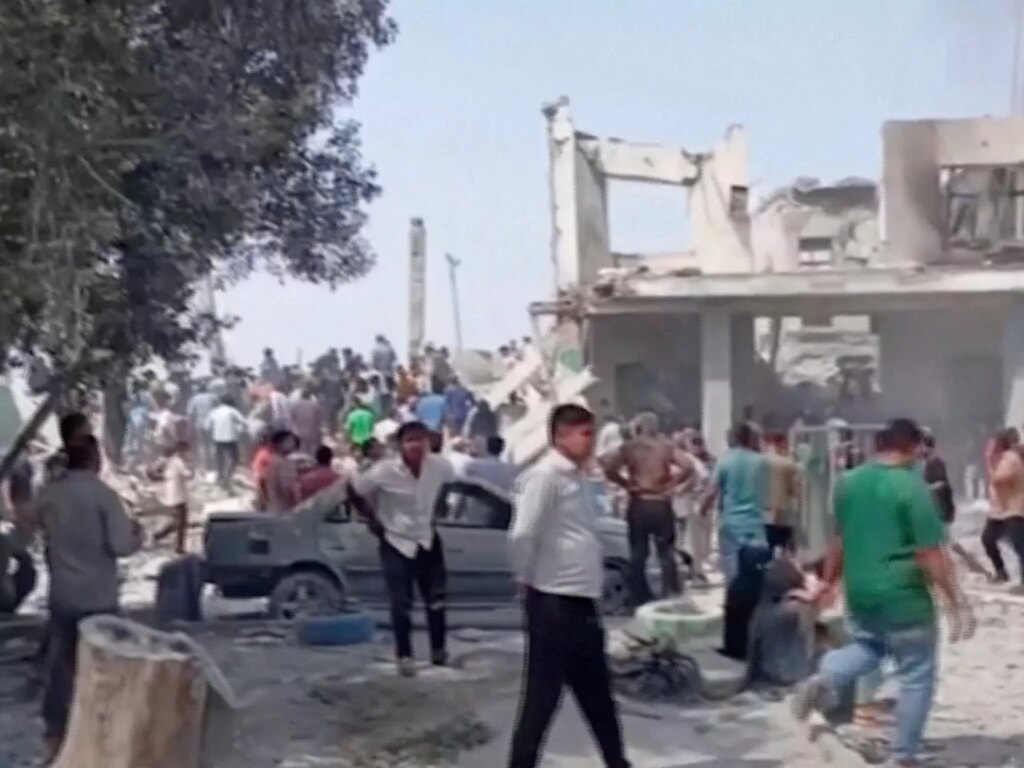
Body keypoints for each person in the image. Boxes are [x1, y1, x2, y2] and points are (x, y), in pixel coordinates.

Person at [792, 418, 975, 767]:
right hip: (904, 597)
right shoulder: (912, 487)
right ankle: (903, 755)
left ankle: (827, 677)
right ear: (913, 447)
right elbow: (929, 553)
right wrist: (955, 601)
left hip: (860, 592)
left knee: (869, 648)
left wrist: (829, 582)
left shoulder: (847, 483)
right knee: (917, 673)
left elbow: (839, 540)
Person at [508, 404, 631, 768]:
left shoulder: (578, 478)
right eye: (585, 434)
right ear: (561, 436)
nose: (591, 442)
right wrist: (524, 580)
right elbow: (522, 534)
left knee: (598, 695)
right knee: (541, 699)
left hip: (581, 602)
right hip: (554, 602)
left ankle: (617, 762)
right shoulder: (544, 477)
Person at [37, 436, 144, 761]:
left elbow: (33, 521)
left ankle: (55, 736)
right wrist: (137, 535)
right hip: (99, 597)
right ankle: (104, 735)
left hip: (63, 596)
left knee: (60, 668)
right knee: (107, 666)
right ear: (95, 459)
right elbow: (121, 545)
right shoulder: (104, 496)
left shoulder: (52, 493)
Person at [349, 421, 454, 677]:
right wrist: (371, 519)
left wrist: (438, 507)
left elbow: (447, 486)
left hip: (426, 538)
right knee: (401, 603)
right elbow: (354, 489)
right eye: (410, 440)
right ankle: (405, 656)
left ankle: (439, 651)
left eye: (421, 439)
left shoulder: (439, 466)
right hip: (396, 541)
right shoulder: (384, 471)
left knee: (437, 599)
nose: (416, 446)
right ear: (400, 445)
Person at [603, 412, 693, 603]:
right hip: (660, 502)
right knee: (666, 552)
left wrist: (626, 484)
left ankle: (640, 596)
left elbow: (609, 469)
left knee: (638, 554)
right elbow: (688, 466)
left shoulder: (629, 447)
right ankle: (670, 595)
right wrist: (672, 485)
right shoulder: (665, 446)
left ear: (638, 428)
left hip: (639, 502)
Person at [700, 422, 767, 584]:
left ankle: (735, 596)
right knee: (756, 572)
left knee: (732, 573)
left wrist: (703, 509)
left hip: (730, 525)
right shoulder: (761, 462)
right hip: (756, 523)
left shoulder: (725, 461)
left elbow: (711, 492)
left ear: (733, 439)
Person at [983, 427, 1024, 586]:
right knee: (988, 539)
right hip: (1001, 509)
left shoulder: (1011, 458)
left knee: (1019, 544)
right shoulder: (1004, 458)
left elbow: (998, 479)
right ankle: (1001, 571)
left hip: (1013, 508)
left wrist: (989, 462)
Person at [762, 431, 801, 553]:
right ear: (781, 443)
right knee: (782, 540)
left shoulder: (763, 459)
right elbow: (793, 487)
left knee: (768, 538)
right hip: (783, 507)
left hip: (765, 505)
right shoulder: (788, 462)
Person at [154, 440, 192, 554]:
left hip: (173, 494)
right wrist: (192, 469)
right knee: (181, 522)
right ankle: (178, 546)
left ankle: (160, 536)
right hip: (178, 495)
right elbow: (187, 474)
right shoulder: (178, 461)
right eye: (187, 451)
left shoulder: (171, 460)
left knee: (178, 520)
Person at [206, 396, 247, 491]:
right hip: (230, 439)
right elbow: (243, 422)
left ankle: (220, 478)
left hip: (217, 439)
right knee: (232, 459)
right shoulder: (232, 411)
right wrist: (239, 429)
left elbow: (207, 425)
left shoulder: (214, 411)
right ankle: (227, 479)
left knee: (220, 459)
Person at [185, 381, 219, 474]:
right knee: (212, 445)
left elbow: (190, 414)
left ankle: (204, 467)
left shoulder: (194, 399)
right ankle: (213, 466)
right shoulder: (213, 397)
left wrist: (189, 427)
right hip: (212, 424)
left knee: (202, 446)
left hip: (199, 424)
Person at [264, 430, 300, 514]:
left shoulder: (274, 460)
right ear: (279, 444)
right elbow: (286, 489)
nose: (293, 444)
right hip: (285, 511)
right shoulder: (282, 463)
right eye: (289, 441)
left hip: (275, 509)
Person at [291, 385, 323, 455]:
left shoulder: (295, 405)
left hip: (299, 432)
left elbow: (292, 418)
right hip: (312, 432)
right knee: (311, 451)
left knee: (301, 450)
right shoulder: (315, 405)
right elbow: (318, 420)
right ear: (310, 397)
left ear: (301, 396)